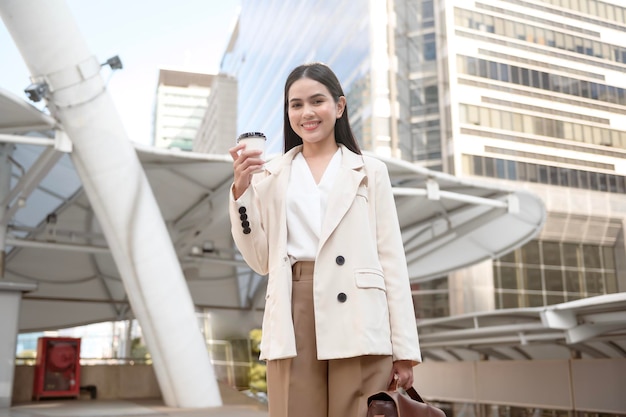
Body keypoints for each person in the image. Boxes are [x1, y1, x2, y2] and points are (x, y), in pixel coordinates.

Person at [229, 62, 421, 417]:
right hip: (293, 305)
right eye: (296, 104)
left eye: (317, 101)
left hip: (361, 312)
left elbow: (391, 258)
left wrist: (405, 349)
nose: (307, 112)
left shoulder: (370, 171)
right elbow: (259, 260)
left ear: (340, 106)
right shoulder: (269, 175)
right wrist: (242, 193)